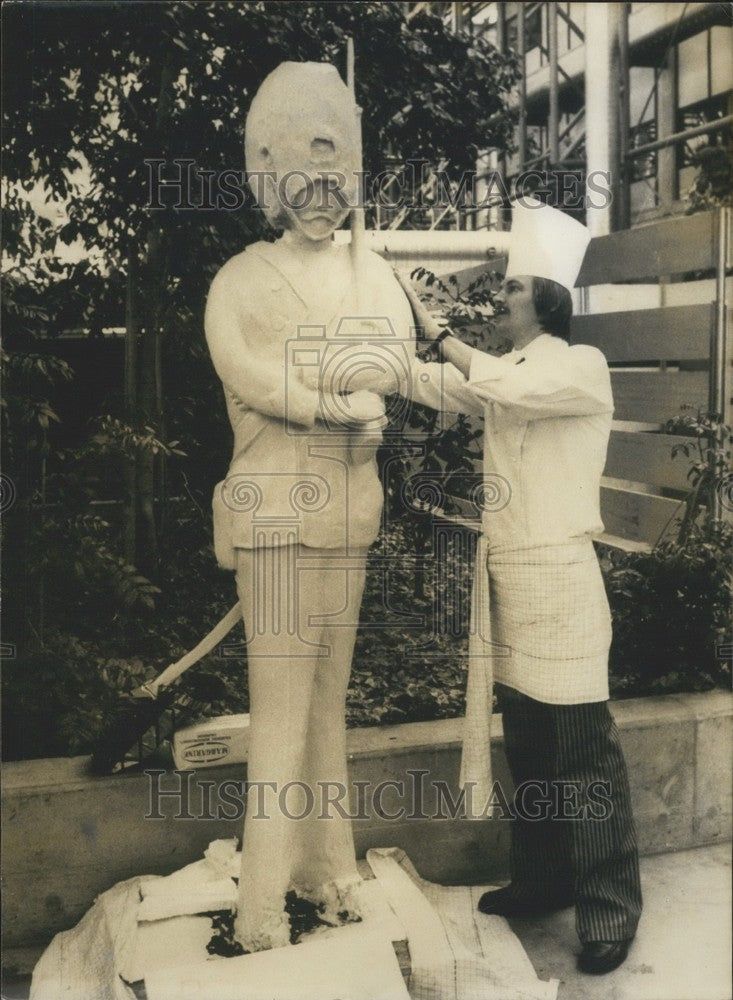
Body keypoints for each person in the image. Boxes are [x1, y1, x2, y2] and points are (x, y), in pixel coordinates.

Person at [389, 198, 643, 976]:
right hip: (507, 579)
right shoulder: (507, 372)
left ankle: (608, 907)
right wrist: (377, 334)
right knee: (528, 747)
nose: (498, 299)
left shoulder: (577, 367)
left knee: (581, 753)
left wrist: (438, 333)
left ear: (547, 300)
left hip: (561, 583)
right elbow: (435, 384)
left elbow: (503, 388)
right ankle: (541, 879)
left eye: (510, 289)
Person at [205, 61, 413, 952]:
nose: (324, 199)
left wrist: (373, 402)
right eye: (307, 182)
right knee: (282, 708)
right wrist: (335, 398)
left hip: (348, 513)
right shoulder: (239, 282)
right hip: (276, 517)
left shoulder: (375, 277)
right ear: (269, 179)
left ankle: (327, 874)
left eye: (337, 182)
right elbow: (252, 373)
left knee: (330, 703)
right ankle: (258, 909)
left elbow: (397, 364)